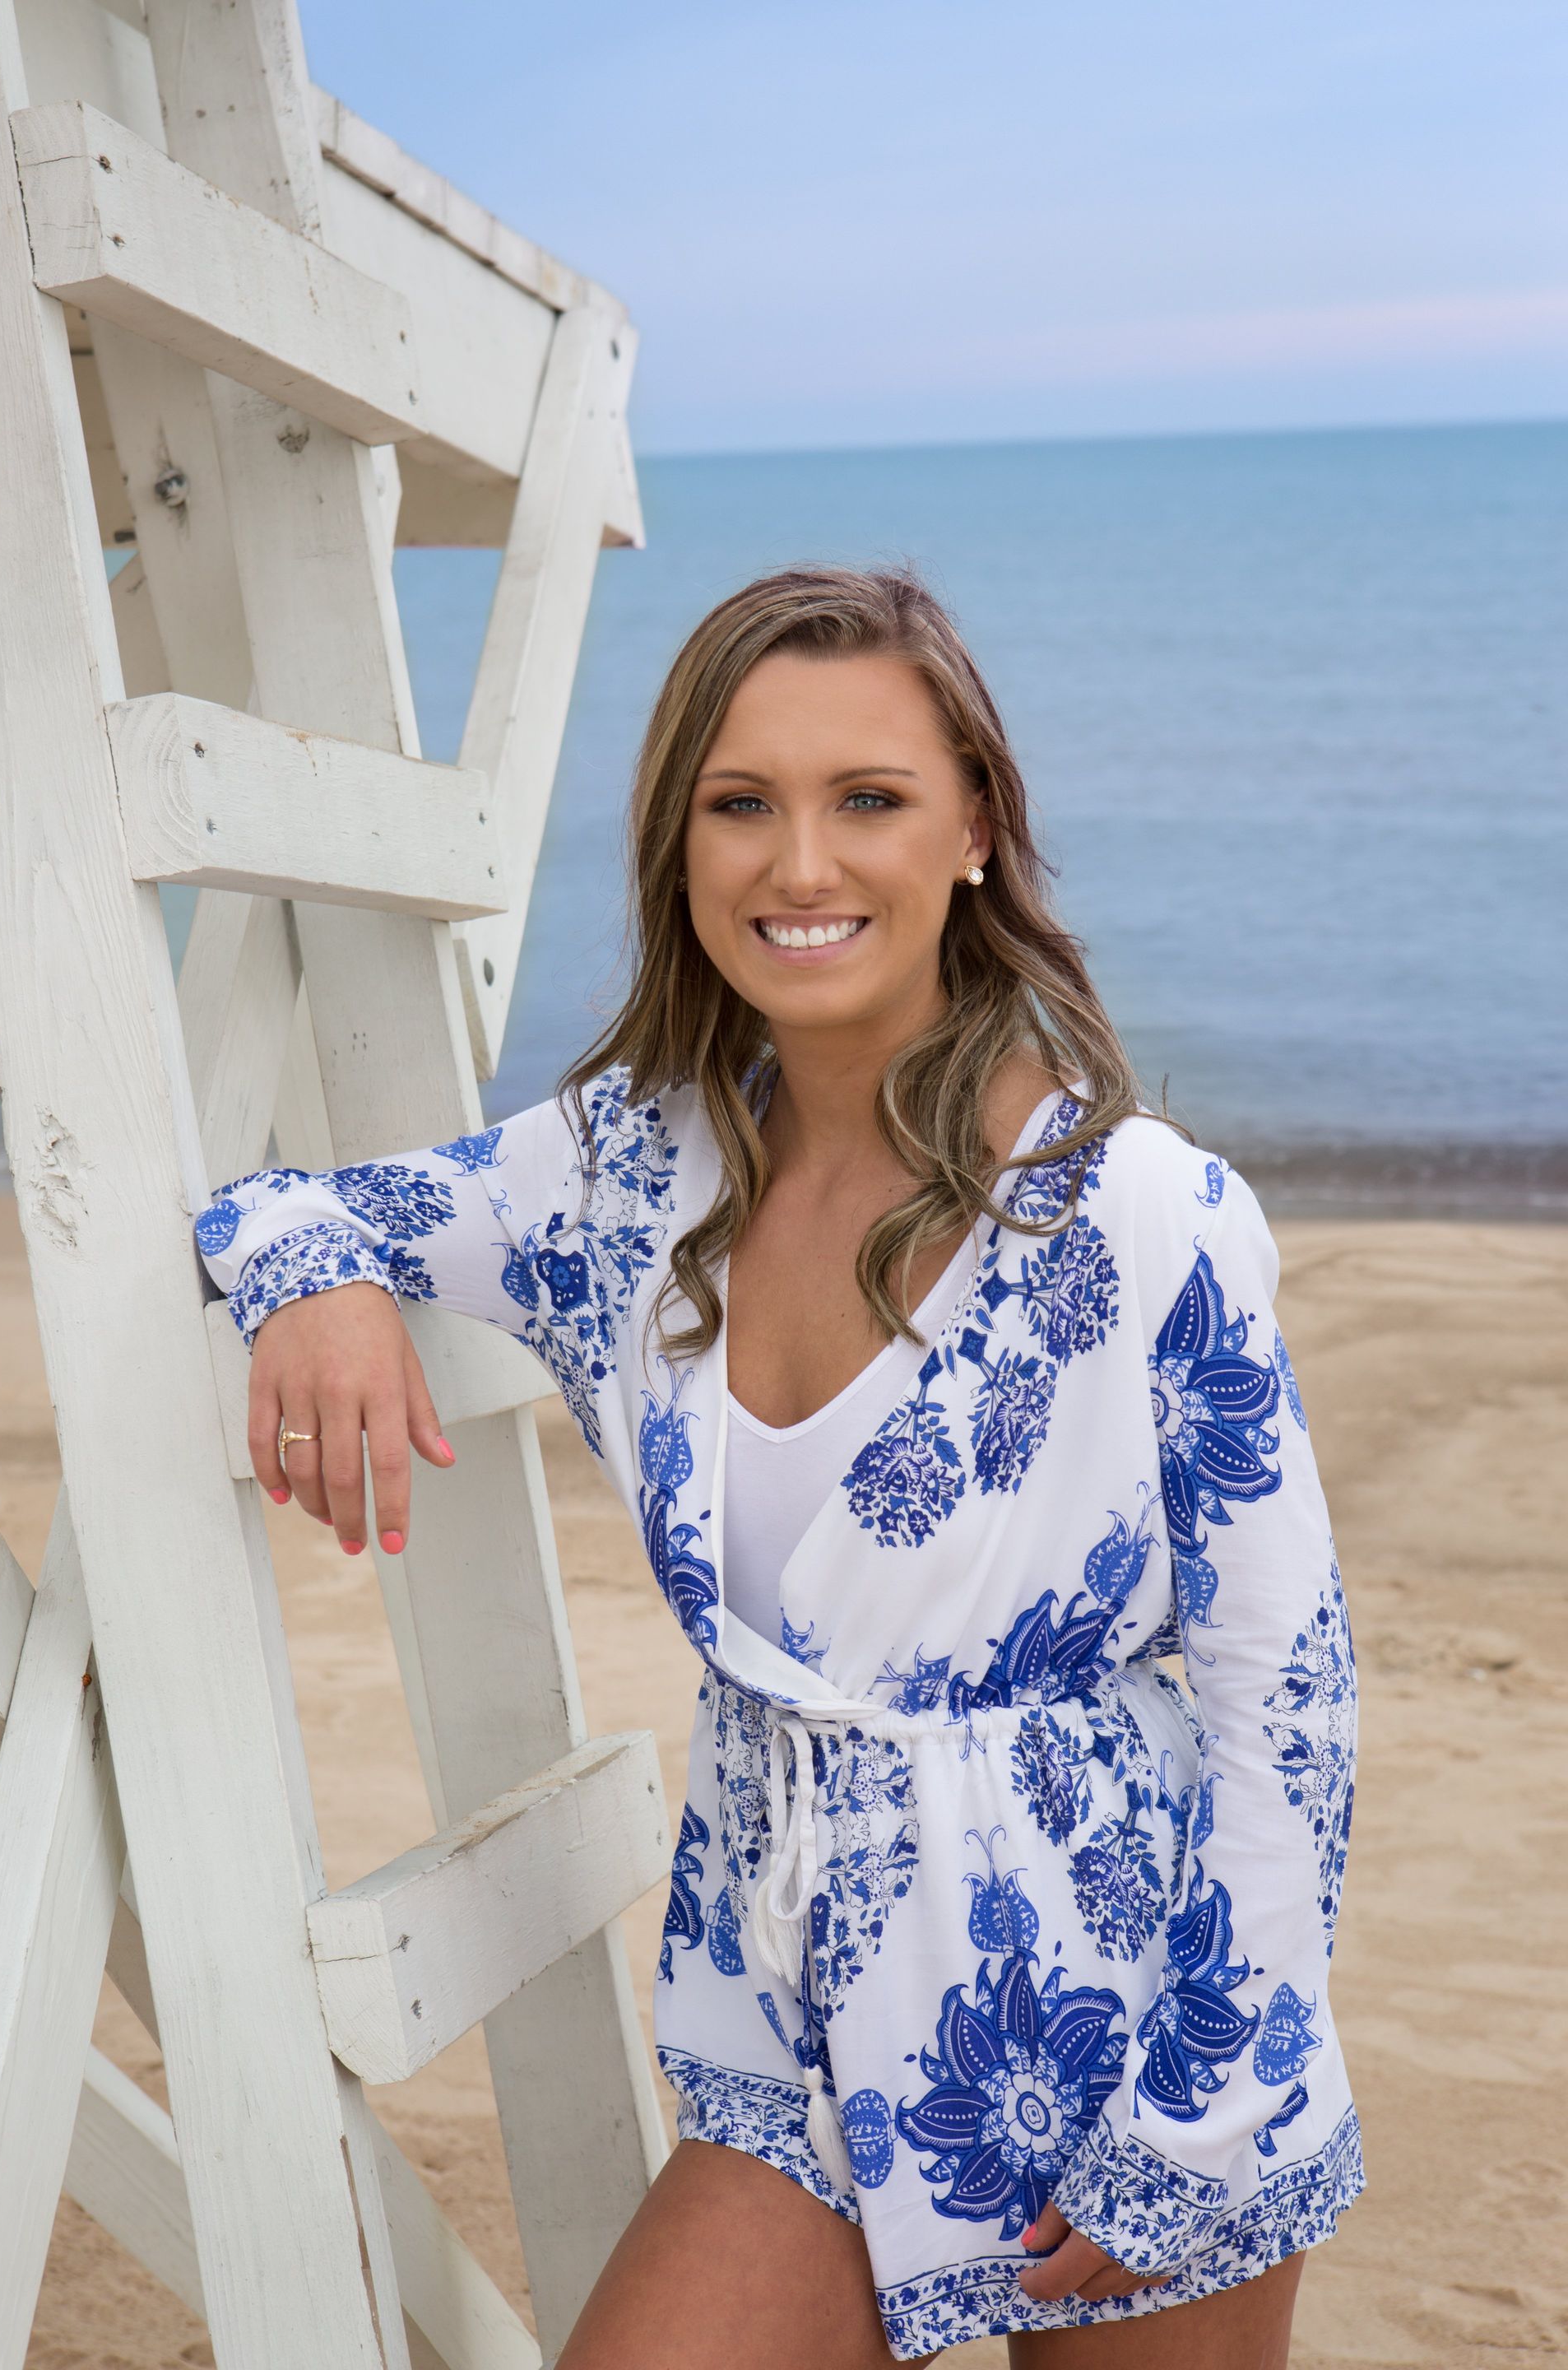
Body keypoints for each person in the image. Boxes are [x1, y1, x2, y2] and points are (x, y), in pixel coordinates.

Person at [195, 567, 1362, 2367]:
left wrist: (1197, 2115)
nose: (799, 867)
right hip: (799, 2040)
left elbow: (1286, 1695)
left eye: (867, 801)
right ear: (679, 842)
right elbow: (290, 1204)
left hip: (1140, 2015)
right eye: (742, 804)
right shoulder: (620, 1177)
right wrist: (320, 1287)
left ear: (974, 827)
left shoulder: (1140, 1214)